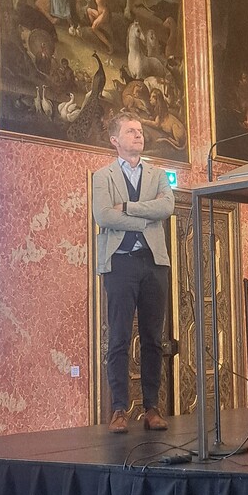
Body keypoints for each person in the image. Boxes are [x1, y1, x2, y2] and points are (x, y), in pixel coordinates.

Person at [92, 113, 175, 433]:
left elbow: (166, 207)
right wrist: (145, 217)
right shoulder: (103, 176)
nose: (139, 135)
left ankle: (152, 408)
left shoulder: (158, 175)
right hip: (120, 263)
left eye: (140, 131)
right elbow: (103, 215)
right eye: (131, 131)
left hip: (154, 263)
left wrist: (126, 208)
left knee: (154, 338)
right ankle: (118, 409)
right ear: (115, 140)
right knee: (119, 338)